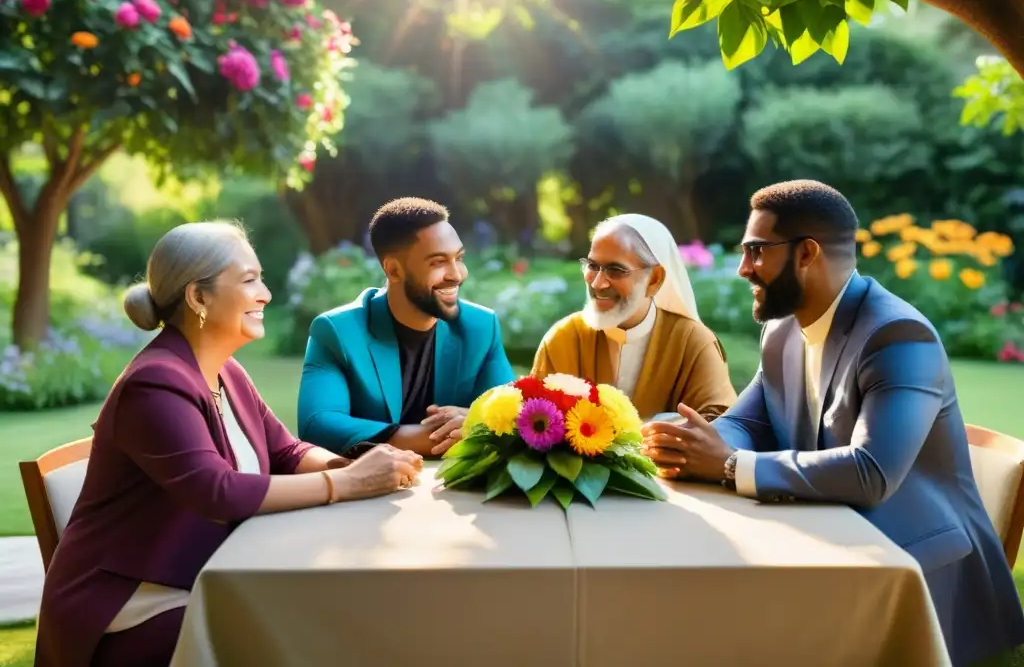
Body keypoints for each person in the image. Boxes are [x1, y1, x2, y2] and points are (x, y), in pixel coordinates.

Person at [640, 180, 1024, 666]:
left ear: (807, 253)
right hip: (828, 535)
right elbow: (749, 421)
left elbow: (871, 472)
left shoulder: (899, 337)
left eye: (756, 252)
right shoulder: (782, 331)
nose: (743, 269)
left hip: (914, 569)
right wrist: (688, 437)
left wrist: (731, 465)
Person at [34, 221, 422, 667]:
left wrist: (350, 466)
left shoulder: (227, 372)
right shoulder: (154, 383)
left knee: (329, 618)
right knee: (307, 633)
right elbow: (216, 491)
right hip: (132, 600)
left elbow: (286, 453)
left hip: (195, 572)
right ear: (198, 298)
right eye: (249, 280)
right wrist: (348, 484)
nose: (266, 294)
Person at [297, 198, 516, 458]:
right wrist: (449, 433)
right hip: (373, 490)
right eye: (438, 262)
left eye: (459, 258)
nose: (457, 274)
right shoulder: (337, 331)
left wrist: (479, 423)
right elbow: (317, 424)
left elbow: (512, 415)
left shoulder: (481, 326)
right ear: (393, 270)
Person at [531, 214, 736, 420]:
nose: (597, 283)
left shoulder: (693, 342)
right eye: (593, 266)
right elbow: (534, 422)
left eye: (616, 270)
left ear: (654, 279)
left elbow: (719, 424)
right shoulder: (564, 337)